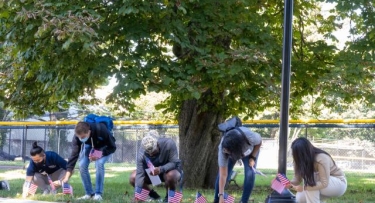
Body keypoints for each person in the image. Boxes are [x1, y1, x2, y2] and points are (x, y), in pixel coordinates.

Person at [61, 121, 116, 201]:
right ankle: (89, 193)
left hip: (105, 146)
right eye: (79, 137)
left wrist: (98, 154)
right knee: (82, 165)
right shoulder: (77, 137)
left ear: (89, 132)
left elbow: (113, 147)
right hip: (90, 145)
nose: (81, 139)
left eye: (83, 137)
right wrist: (67, 176)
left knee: (99, 163)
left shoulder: (101, 130)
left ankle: (98, 194)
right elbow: (74, 156)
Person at [214, 116, 262, 203]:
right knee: (225, 174)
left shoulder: (250, 137)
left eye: (229, 152)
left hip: (249, 152)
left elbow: (259, 142)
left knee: (249, 174)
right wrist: (221, 195)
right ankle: (217, 200)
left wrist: (253, 157)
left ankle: (244, 201)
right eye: (226, 152)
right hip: (235, 151)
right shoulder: (223, 149)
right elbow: (223, 175)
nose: (226, 153)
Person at [287, 137, 347, 203]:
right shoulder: (298, 160)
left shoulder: (321, 158)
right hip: (317, 184)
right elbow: (297, 179)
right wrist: (289, 184)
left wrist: (304, 188)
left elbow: (324, 183)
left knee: (310, 183)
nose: (296, 156)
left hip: (338, 184)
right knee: (301, 198)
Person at [129, 130, 182, 202]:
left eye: (153, 152)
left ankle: (169, 198)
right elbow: (139, 174)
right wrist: (137, 194)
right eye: (148, 153)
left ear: (157, 144)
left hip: (169, 171)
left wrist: (161, 169)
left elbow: (174, 162)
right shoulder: (141, 152)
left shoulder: (169, 144)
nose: (151, 155)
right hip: (152, 174)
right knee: (133, 177)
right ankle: (154, 196)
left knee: (171, 175)